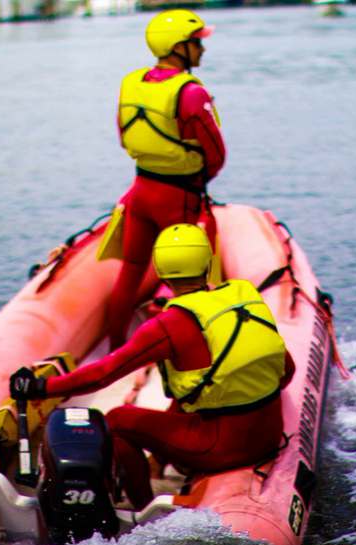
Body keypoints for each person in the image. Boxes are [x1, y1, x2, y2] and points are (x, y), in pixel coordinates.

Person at [10, 224, 295, 510]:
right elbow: (288, 371)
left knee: (119, 421)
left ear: (159, 271)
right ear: (209, 264)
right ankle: (158, 465)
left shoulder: (166, 325)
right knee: (200, 390)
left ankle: (144, 509)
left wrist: (39, 387)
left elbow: (103, 374)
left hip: (220, 448)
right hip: (269, 436)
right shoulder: (243, 296)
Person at [105, 9, 226, 349]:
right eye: (196, 43)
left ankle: (116, 343)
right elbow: (216, 154)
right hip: (180, 198)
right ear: (177, 48)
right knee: (189, 279)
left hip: (140, 192)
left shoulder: (132, 83)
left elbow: (123, 134)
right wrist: (200, 180)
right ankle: (182, 350)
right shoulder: (191, 93)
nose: (202, 50)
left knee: (130, 270)